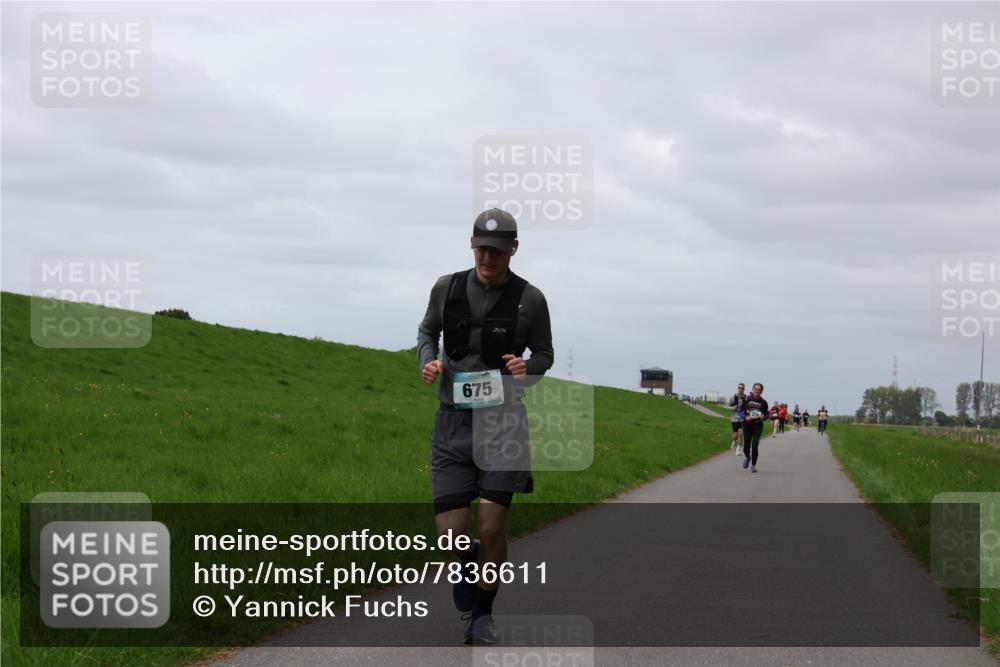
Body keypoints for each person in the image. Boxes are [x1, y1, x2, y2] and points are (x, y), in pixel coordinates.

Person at [417, 208, 554, 644]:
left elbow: (545, 355)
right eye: (481, 248)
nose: (487, 258)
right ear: (471, 244)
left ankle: (483, 614)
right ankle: (473, 563)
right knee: (452, 538)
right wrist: (429, 361)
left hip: (503, 425)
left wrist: (525, 367)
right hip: (453, 424)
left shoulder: (530, 299)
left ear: (513, 249)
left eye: (496, 251)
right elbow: (426, 332)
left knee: (492, 526)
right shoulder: (447, 287)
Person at [741, 383, 769, 473]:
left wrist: (763, 417)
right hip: (747, 425)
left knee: (755, 445)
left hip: (758, 425)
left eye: (759, 389)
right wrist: (745, 417)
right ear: (753, 389)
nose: (757, 391)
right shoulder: (746, 399)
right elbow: (740, 411)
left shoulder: (763, 402)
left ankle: (753, 465)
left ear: (761, 391)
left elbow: (767, 414)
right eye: (755, 389)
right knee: (746, 446)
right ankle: (748, 458)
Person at [728, 383, 747, 455]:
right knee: (735, 434)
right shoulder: (733, 398)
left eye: (742, 388)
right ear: (737, 388)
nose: (740, 389)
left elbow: (748, 407)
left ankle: (738, 449)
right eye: (739, 388)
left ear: (744, 389)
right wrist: (733, 408)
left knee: (740, 433)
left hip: (742, 418)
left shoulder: (746, 398)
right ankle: (734, 441)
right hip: (734, 418)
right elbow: (728, 407)